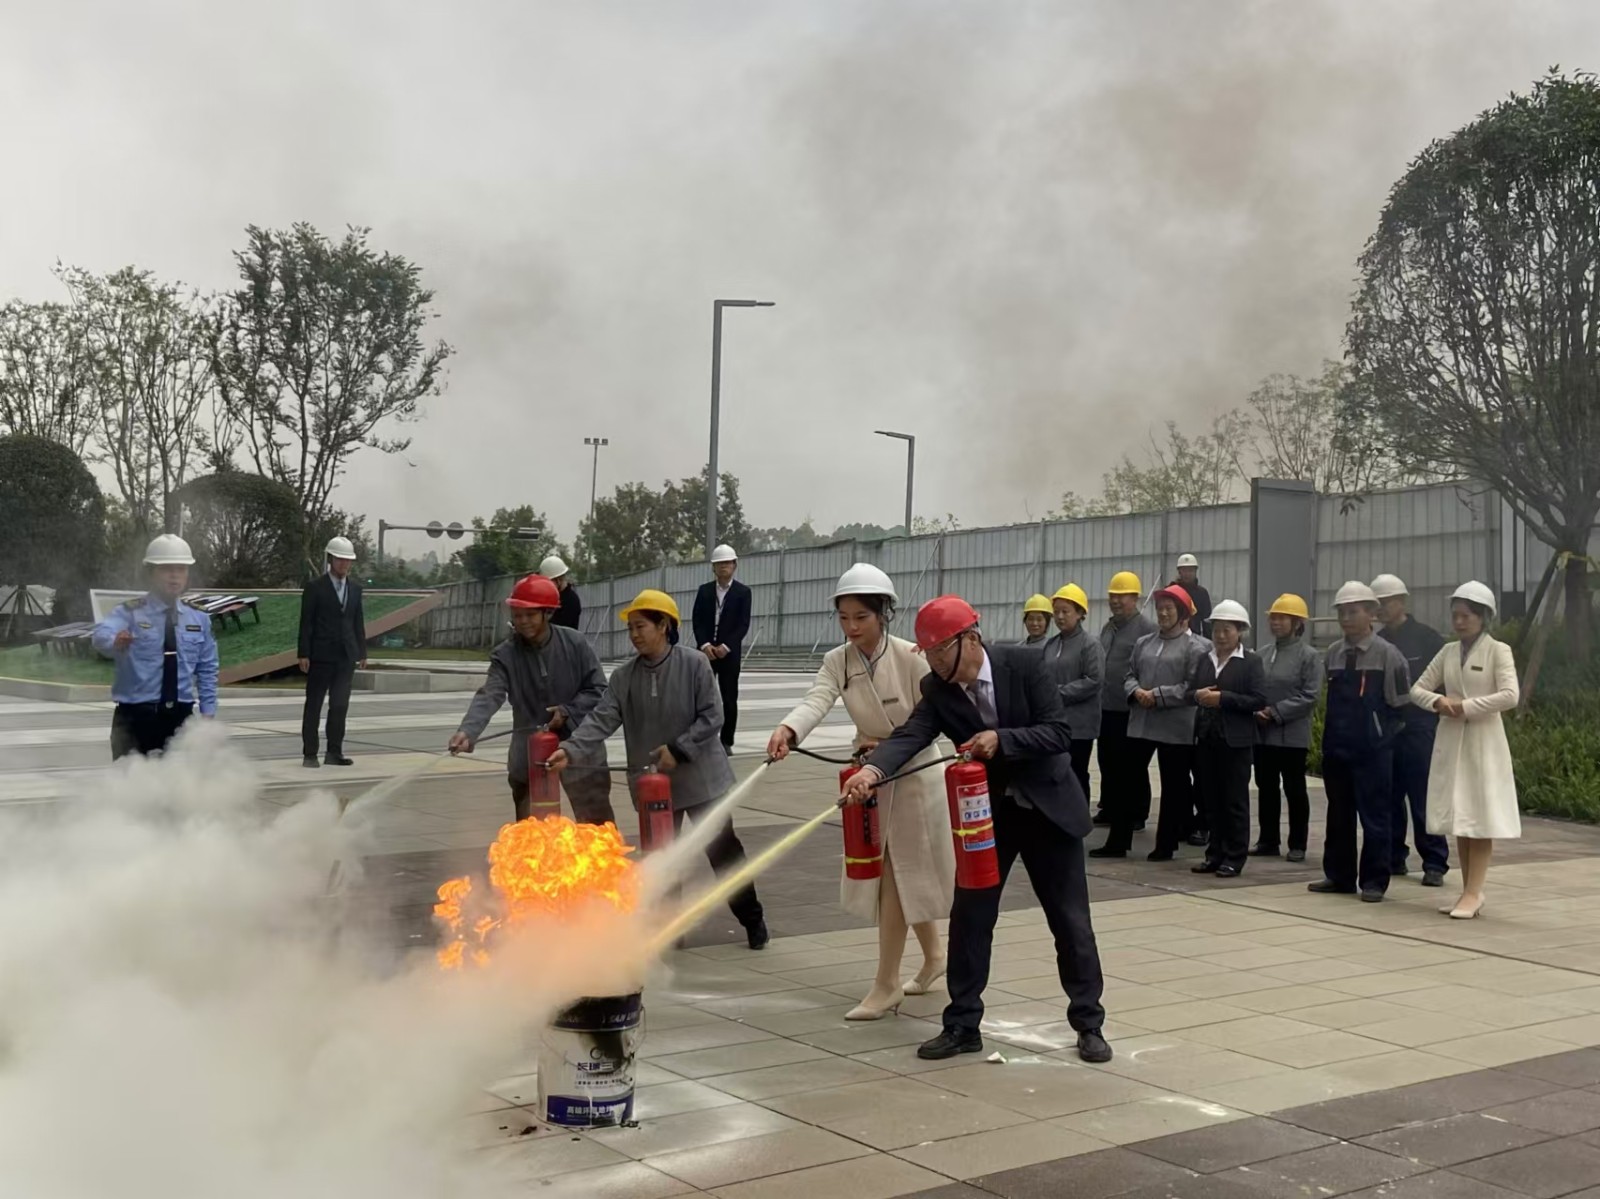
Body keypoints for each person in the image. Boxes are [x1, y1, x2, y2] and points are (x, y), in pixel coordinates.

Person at [841, 595, 1110, 1064]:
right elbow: (911, 734)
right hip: (988, 817)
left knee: (1070, 921)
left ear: (970, 639)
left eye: (940, 650)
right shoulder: (936, 687)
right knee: (970, 917)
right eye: (928, 653)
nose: (934, 661)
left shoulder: (1025, 665)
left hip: (1049, 811)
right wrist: (872, 772)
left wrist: (1001, 740)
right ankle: (962, 1024)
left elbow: (1058, 732)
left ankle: (1089, 1023)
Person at [766, 564, 954, 1019]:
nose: (851, 628)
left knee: (896, 873)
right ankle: (935, 957)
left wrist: (886, 749)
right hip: (867, 776)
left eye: (861, 617)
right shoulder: (838, 660)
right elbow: (817, 699)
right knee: (895, 871)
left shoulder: (911, 656)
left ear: (883, 613)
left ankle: (887, 983)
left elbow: (929, 721)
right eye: (844, 618)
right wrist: (789, 729)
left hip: (915, 775)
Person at [551, 589, 768, 950]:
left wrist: (679, 749)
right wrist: (570, 750)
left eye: (641, 626)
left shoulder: (695, 664)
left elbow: (713, 715)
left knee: (723, 852)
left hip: (702, 782)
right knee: (662, 860)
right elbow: (601, 719)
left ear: (664, 625)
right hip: (654, 789)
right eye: (631, 628)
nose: (634, 635)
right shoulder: (624, 678)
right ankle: (670, 932)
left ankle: (753, 920)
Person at [448, 574, 611, 823]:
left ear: (548, 613)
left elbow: (599, 689)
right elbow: (490, 694)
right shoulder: (505, 655)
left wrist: (568, 711)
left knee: (595, 823)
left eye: (530, 614)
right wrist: (468, 731)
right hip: (529, 755)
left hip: (579, 747)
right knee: (532, 829)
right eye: (517, 615)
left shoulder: (575, 644)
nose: (523, 621)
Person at [1409, 582, 1520, 920]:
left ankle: (1474, 891)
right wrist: (1439, 701)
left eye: (1466, 616)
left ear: (1483, 617)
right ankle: (1468, 891)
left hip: (1483, 743)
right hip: (1451, 740)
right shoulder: (1447, 652)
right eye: (1455, 615)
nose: (1459, 622)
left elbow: (1510, 695)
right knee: (1460, 816)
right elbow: (1417, 689)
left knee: (1479, 817)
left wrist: (1466, 706)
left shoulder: (1498, 650)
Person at [1308, 581, 1412, 903]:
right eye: (1342, 612)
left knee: (1375, 817)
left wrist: (1380, 738)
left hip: (1373, 752)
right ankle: (1339, 876)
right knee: (1338, 815)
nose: (1346, 618)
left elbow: (1400, 706)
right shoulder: (1334, 654)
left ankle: (1374, 881)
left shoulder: (1388, 655)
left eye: (1353, 612)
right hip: (1338, 748)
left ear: (1371, 614)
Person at [1093, 584, 1209, 860]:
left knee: (1173, 786)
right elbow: (1129, 674)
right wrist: (1135, 691)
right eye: (1160, 609)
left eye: (1169, 609)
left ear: (1183, 614)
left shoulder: (1198, 647)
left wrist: (1156, 695)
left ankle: (1165, 845)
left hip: (1176, 726)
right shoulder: (1145, 642)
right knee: (1125, 780)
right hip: (1142, 721)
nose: (1163, 614)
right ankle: (1117, 842)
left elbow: (1191, 687)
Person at [92, 533, 218, 758]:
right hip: (136, 718)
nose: (174, 576)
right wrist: (115, 641)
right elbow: (101, 635)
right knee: (132, 778)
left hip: (181, 719)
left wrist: (208, 713)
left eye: (181, 569)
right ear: (150, 572)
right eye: (166, 569)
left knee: (182, 779)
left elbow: (207, 668)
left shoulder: (199, 618)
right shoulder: (129, 613)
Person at [1373, 573, 1449, 887]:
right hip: (1387, 728)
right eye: (1376, 603)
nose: (1381, 608)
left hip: (1420, 726)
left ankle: (1434, 861)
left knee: (1422, 795)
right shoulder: (1376, 642)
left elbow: (1443, 683)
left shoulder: (1428, 639)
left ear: (1402, 601)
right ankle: (1394, 857)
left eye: (1386, 602)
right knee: (1389, 795)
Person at [1189, 600, 1267, 878]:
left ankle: (1235, 856)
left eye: (1227, 630)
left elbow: (1258, 699)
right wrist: (1198, 695)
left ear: (1239, 632)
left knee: (1234, 801)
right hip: (1207, 738)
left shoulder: (1251, 662)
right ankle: (1214, 854)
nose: (1221, 636)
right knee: (1211, 800)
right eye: (1217, 630)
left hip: (1235, 741)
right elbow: (1192, 690)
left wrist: (1223, 698)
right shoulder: (1204, 659)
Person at [1252, 594, 1322, 863]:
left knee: (1295, 789)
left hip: (1292, 735)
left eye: (1282, 618)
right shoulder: (1262, 654)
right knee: (1266, 787)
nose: (1276, 622)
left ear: (1297, 623)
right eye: (1273, 617)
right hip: (1263, 734)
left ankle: (1298, 843)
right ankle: (1268, 840)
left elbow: (1310, 695)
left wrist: (1275, 712)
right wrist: (1256, 710)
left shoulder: (1309, 656)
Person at [297, 536, 368, 768]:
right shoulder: (315, 587)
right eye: (340, 559)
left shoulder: (355, 589)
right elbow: (306, 622)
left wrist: (362, 651)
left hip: (346, 655)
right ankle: (310, 753)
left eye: (348, 560)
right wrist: (304, 652)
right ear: (331, 559)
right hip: (321, 655)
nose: (344, 564)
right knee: (314, 704)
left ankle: (334, 752)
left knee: (339, 705)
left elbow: (357, 621)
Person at [1095, 571, 1156, 829]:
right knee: (1107, 760)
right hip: (1106, 706)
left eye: (1122, 596)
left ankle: (1136, 813)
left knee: (1131, 765)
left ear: (1135, 598)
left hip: (1130, 708)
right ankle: (1110, 807)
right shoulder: (1108, 628)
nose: (1116, 601)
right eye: (1113, 596)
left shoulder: (1146, 629)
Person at [1041, 584, 1103, 809]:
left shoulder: (1090, 644)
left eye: (1065, 611)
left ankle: (1079, 817)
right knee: (1055, 772)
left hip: (1080, 724)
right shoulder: (1051, 644)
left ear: (1080, 613)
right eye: (1056, 611)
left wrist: (1058, 693)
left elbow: (1094, 680)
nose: (1059, 616)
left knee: (1076, 772)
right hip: (1054, 722)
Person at [692, 544, 751, 753]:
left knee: (729, 698)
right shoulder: (704, 591)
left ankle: (726, 741)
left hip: (729, 654)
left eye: (727, 563)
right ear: (713, 567)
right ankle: (701, 738)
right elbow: (697, 620)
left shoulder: (743, 592)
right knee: (701, 697)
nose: (723, 566)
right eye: (719, 563)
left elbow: (743, 624)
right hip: (706, 653)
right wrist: (705, 645)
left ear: (734, 565)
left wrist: (726, 646)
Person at [1173, 553, 1213, 636]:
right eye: (1184, 570)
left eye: (1190, 570)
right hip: (1174, 636)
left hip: (1195, 637)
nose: (1187, 574)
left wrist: (1208, 640)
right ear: (1179, 572)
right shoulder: (1172, 592)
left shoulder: (1202, 593)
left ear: (1195, 571)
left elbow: (1206, 621)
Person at [540, 555, 582, 631]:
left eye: (548, 581)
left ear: (558, 580)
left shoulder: (570, 600)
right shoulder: (552, 597)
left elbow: (557, 629)